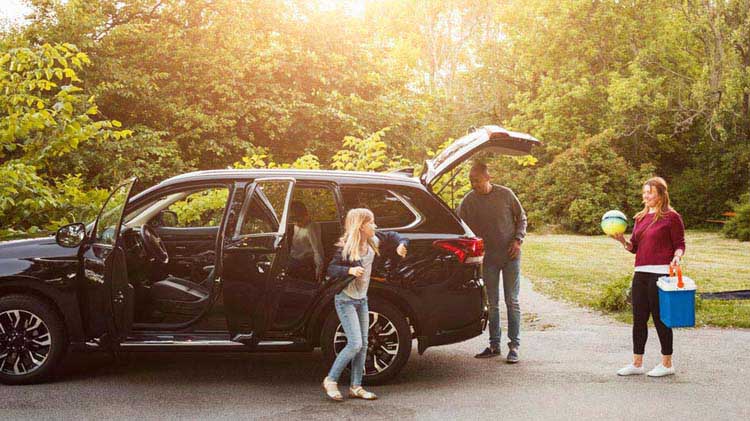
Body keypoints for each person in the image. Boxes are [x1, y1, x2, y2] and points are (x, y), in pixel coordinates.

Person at [322, 208, 408, 402]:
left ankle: (356, 386)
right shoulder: (345, 247)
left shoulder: (373, 241)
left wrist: (401, 244)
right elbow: (331, 269)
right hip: (345, 300)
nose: (375, 226)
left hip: (362, 299)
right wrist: (350, 270)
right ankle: (331, 379)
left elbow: (394, 235)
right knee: (355, 343)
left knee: (364, 344)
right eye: (371, 222)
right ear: (361, 226)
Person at [611, 176, 685, 377]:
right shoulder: (640, 218)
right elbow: (634, 247)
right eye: (644, 192)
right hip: (641, 273)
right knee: (639, 319)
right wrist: (622, 241)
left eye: (650, 192)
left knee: (661, 319)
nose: (646, 196)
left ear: (661, 195)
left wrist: (677, 257)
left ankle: (667, 364)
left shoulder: (671, 217)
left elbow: (680, 244)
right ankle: (637, 363)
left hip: (660, 273)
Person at [457, 162, 527, 363]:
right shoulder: (469, 201)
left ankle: (514, 346)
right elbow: (459, 224)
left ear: (488, 178)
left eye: (477, 181)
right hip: (488, 259)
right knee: (492, 304)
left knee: (512, 301)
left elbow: (522, 218)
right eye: (471, 181)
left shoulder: (505, 194)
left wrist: (518, 240)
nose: (473, 185)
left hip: (510, 255)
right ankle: (494, 344)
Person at [288, 201, 325, 282]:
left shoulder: (312, 227)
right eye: (292, 218)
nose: (294, 221)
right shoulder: (296, 225)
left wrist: (319, 268)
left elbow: (317, 250)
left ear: (303, 214)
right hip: (293, 258)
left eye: (295, 217)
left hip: (303, 262)